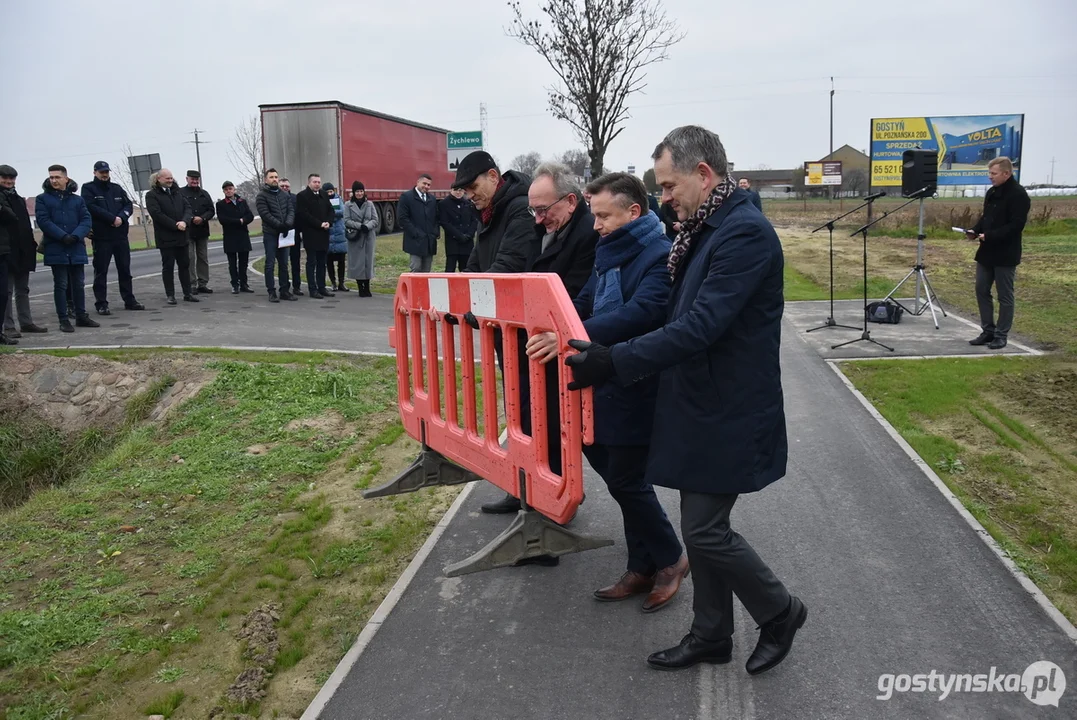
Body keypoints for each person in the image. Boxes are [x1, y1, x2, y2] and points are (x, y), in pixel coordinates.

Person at [564, 126, 806, 675]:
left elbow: (700, 326)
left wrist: (614, 358)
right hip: (703, 404)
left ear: (704, 174)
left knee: (703, 531)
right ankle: (711, 635)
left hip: (730, 408)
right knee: (701, 525)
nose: (663, 198)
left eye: (670, 186)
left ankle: (779, 611)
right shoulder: (704, 228)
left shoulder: (743, 233)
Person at [526, 172, 686, 611]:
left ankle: (670, 559)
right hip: (602, 380)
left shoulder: (658, 253)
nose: (594, 225)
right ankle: (642, 566)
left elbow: (645, 311)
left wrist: (571, 336)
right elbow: (586, 300)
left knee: (626, 479)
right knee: (617, 474)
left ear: (633, 211)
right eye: (594, 216)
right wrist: (558, 323)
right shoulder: (609, 251)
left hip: (635, 380)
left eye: (602, 216)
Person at [478, 161, 597, 516]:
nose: (538, 218)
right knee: (524, 418)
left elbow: (580, 299)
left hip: (559, 349)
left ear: (571, 201)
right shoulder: (544, 228)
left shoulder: (588, 234)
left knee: (554, 428)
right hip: (530, 342)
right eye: (534, 209)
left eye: (544, 209)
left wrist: (554, 332)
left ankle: (553, 506)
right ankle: (523, 490)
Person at [967, 156, 1029, 351]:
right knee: (981, 289)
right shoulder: (992, 192)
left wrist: (990, 235)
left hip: (1005, 253)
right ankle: (988, 330)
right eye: (990, 173)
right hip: (986, 252)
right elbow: (986, 217)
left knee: (1005, 296)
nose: (990, 177)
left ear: (1006, 173)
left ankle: (1001, 335)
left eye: (993, 174)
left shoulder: (1019, 195)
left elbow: (1016, 225)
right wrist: (975, 230)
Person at [35, 165, 99, 332]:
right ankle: (63, 319)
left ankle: (81, 315)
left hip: (76, 247)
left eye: (57, 177)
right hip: (57, 246)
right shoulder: (43, 199)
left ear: (66, 179)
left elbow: (86, 220)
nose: (54, 180)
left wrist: (76, 236)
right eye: (51, 177)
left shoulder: (77, 200)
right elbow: (44, 221)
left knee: (78, 284)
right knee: (61, 284)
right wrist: (63, 236)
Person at [452, 151, 533, 274]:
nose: (468, 196)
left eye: (474, 187)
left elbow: (509, 265)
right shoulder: (486, 213)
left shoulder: (521, 208)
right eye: (465, 191)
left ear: (493, 176)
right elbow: (475, 265)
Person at [80, 160, 144, 314]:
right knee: (101, 271)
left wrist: (121, 217)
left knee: (125, 270)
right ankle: (101, 303)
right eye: (101, 172)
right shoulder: (88, 188)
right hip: (102, 237)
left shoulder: (116, 188)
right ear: (95, 172)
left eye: (106, 172)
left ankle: (129, 300)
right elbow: (91, 207)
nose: (104, 175)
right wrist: (111, 218)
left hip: (120, 235)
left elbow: (128, 205)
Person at [0, 164, 47, 339]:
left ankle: (26, 322)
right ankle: (8, 326)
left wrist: (30, 245)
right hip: (6, 250)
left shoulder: (18, 199)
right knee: (6, 291)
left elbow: (24, 225)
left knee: (23, 289)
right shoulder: (1, 198)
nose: (8, 181)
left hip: (24, 250)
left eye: (11, 178)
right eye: (4, 178)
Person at [145, 168, 198, 305]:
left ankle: (187, 293)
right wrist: (175, 225)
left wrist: (185, 221)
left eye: (171, 178)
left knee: (184, 265)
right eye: (167, 178)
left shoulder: (177, 192)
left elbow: (188, 209)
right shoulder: (152, 195)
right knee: (168, 267)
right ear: (159, 179)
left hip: (182, 235)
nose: (170, 181)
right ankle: (170, 295)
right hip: (166, 237)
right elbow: (157, 214)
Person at [256, 169, 296, 303]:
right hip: (271, 234)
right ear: (266, 179)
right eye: (271, 177)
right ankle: (271, 291)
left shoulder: (284, 195)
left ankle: (284, 290)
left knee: (284, 263)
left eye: (276, 177)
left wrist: (287, 224)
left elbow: (291, 210)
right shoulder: (261, 196)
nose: (274, 179)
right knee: (270, 263)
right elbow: (265, 214)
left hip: (284, 234)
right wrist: (279, 225)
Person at [295, 173, 336, 299]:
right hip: (311, 234)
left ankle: (322, 287)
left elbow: (331, 210)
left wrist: (329, 222)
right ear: (309, 183)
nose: (317, 184)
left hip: (324, 234)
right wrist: (319, 224)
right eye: (315, 182)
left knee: (322, 262)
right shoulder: (302, 196)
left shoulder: (324, 194)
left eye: (319, 182)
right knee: (311, 262)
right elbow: (304, 215)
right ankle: (312, 289)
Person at [215, 181, 255, 294]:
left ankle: (244, 284)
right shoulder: (220, 204)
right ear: (224, 191)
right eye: (226, 189)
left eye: (230, 188)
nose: (229, 191)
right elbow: (223, 220)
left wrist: (244, 220)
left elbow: (250, 216)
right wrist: (239, 221)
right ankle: (235, 284)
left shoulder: (242, 202)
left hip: (243, 235)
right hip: (230, 236)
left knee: (243, 262)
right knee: (232, 263)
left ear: (234, 189)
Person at [180, 170, 215, 293]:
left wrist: (203, 218)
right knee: (189, 258)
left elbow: (211, 210)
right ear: (187, 179)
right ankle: (191, 284)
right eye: (192, 179)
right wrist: (190, 219)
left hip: (202, 230)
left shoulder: (204, 194)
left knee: (203, 258)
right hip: (187, 231)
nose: (194, 181)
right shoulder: (180, 193)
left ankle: (203, 283)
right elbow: (179, 210)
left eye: (196, 179)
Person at [398, 173, 439, 272]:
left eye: (429, 185)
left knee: (427, 271)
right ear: (418, 182)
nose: (426, 186)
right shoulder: (406, 197)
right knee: (416, 268)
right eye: (424, 183)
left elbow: (436, 218)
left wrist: (435, 233)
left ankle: (424, 288)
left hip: (429, 242)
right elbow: (402, 218)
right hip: (415, 241)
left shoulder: (432, 199)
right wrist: (415, 233)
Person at [344, 181, 379, 297]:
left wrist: (367, 226)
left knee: (367, 262)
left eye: (361, 191)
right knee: (357, 262)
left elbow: (375, 219)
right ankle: (360, 287)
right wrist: (359, 226)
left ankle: (367, 287)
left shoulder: (370, 204)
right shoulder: (348, 205)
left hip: (368, 236)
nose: (359, 193)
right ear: (353, 193)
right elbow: (346, 220)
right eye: (357, 191)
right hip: (356, 237)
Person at [438, 187, 476, 272]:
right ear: (451, 190)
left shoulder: (468, 203)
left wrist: (469, 234)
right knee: (450, 269)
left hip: (467, 241)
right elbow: (445, 222)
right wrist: (459, 235)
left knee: (466, 269)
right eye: (456, 190)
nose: (458, 192)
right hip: (453, 241)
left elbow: (474, 220)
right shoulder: (443, 204)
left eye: (461, 190)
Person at [280, 177, 304, 296]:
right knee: (283, 263)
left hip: (294, 234)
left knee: (296, 262)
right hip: (281, 235)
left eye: (287, 186)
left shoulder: (295, 198)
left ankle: (297, 286)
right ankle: (284, 286)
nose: (285, 188)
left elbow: (300, 215)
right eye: (282, 186)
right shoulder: (276, 198)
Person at [325, 183, 349, 292]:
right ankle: (333, 283)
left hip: (339, 233)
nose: (330, 193)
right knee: (329, 261)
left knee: (341, 261)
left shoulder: (338, 199)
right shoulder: (323, 200)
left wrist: (330, 213)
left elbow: (342, 212)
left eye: (331, 191)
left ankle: (341, 282)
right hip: (328, 233)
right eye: (327, 192)